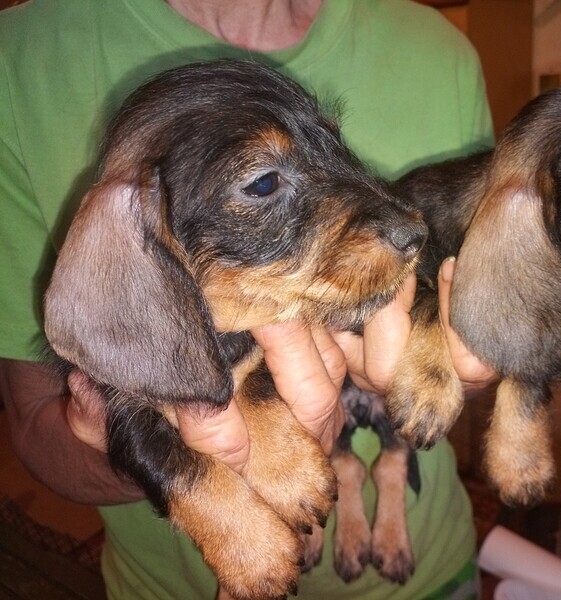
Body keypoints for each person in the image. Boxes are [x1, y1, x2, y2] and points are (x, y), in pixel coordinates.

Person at [0, 0, 495, 598]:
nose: (403, 225)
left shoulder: (444, 53)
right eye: (262, 183)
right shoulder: (16, 61)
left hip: (433, 577)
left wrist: (446, 365)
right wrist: (218, 459)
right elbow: (38, 423)